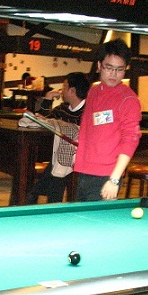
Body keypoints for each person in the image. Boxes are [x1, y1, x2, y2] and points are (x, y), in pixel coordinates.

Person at [73, 39, 142, 201]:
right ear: (99, 65)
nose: (113, 74)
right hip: (84, 170)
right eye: (109, 68)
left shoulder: (129, 99)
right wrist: (79, 150)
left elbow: (130, 140)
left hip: (107, 176)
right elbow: (90, 126)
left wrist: (114, 179)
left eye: (119, 69)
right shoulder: (93, 91)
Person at [26, 72, 90, 204]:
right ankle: (40, 198)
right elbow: (43, 119)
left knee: (57, 167)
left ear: (72, 91)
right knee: (57, 165)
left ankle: (34, 197)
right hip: (60, 156)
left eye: (64, 87)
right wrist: (48, 98)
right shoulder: (62, 109)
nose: (61, 90)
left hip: (79, 158)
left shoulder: (88, 110)